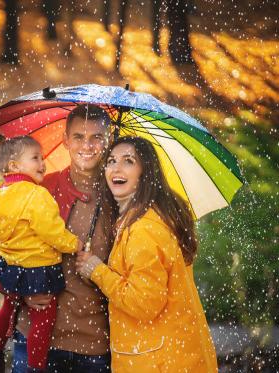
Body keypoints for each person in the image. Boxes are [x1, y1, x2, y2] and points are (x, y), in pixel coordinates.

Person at [76, 136, 218, 373]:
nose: (116, 168)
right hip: (175, 353)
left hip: (158, 362)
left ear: (145, 173)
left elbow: (144, 303)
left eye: (128, 161)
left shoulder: (143, 230)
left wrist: (97, 270)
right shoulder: (146, 218)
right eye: (111, 161)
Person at [11, 104, 115, 373]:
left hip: (96, 346)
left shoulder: (121, 196)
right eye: (79, 137)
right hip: (36, 337)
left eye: (96, 137)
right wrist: (22, 289)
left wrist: (98, 269)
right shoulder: (39, 189)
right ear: (66, 140)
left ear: (109, 140)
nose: (87, 145)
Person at [0, 134, 84, 373]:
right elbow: (51, 231)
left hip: (9, 267)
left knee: (7, 307)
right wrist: (73, 244)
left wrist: (5, 238)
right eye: (35, 158)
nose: (42, 163)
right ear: (15, 165)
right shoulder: (36, 194)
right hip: (38, 268)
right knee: (43, 318)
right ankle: (36, 367)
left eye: (42, 157)